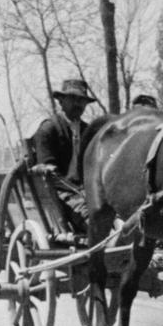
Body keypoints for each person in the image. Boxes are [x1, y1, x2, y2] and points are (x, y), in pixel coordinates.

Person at [30, 77, 100, 223]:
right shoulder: (48, 129)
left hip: (89, 193)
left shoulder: (89, 132)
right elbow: (49, 175)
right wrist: (78, 191)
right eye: (72, 99)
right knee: (93, 219)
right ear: (61, 101)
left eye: (82, 100)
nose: (77, 104)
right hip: (61, 195)